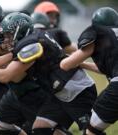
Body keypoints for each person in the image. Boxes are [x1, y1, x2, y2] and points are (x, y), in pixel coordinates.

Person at [0, 12, 97, 135]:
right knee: (41, 128)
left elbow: (5, 76)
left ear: (19, 31)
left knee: (91, 131)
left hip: (78, 91)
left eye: (9, 35)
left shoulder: (31, 46)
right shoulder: (32, 39)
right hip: (61, 93)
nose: (6, 39)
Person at [60, 7, 118, 135]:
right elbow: (109, 69)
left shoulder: (98, 32)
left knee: (91, 131)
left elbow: (65, 65)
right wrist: (83, 65)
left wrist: (64, 58)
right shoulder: (114, 37)